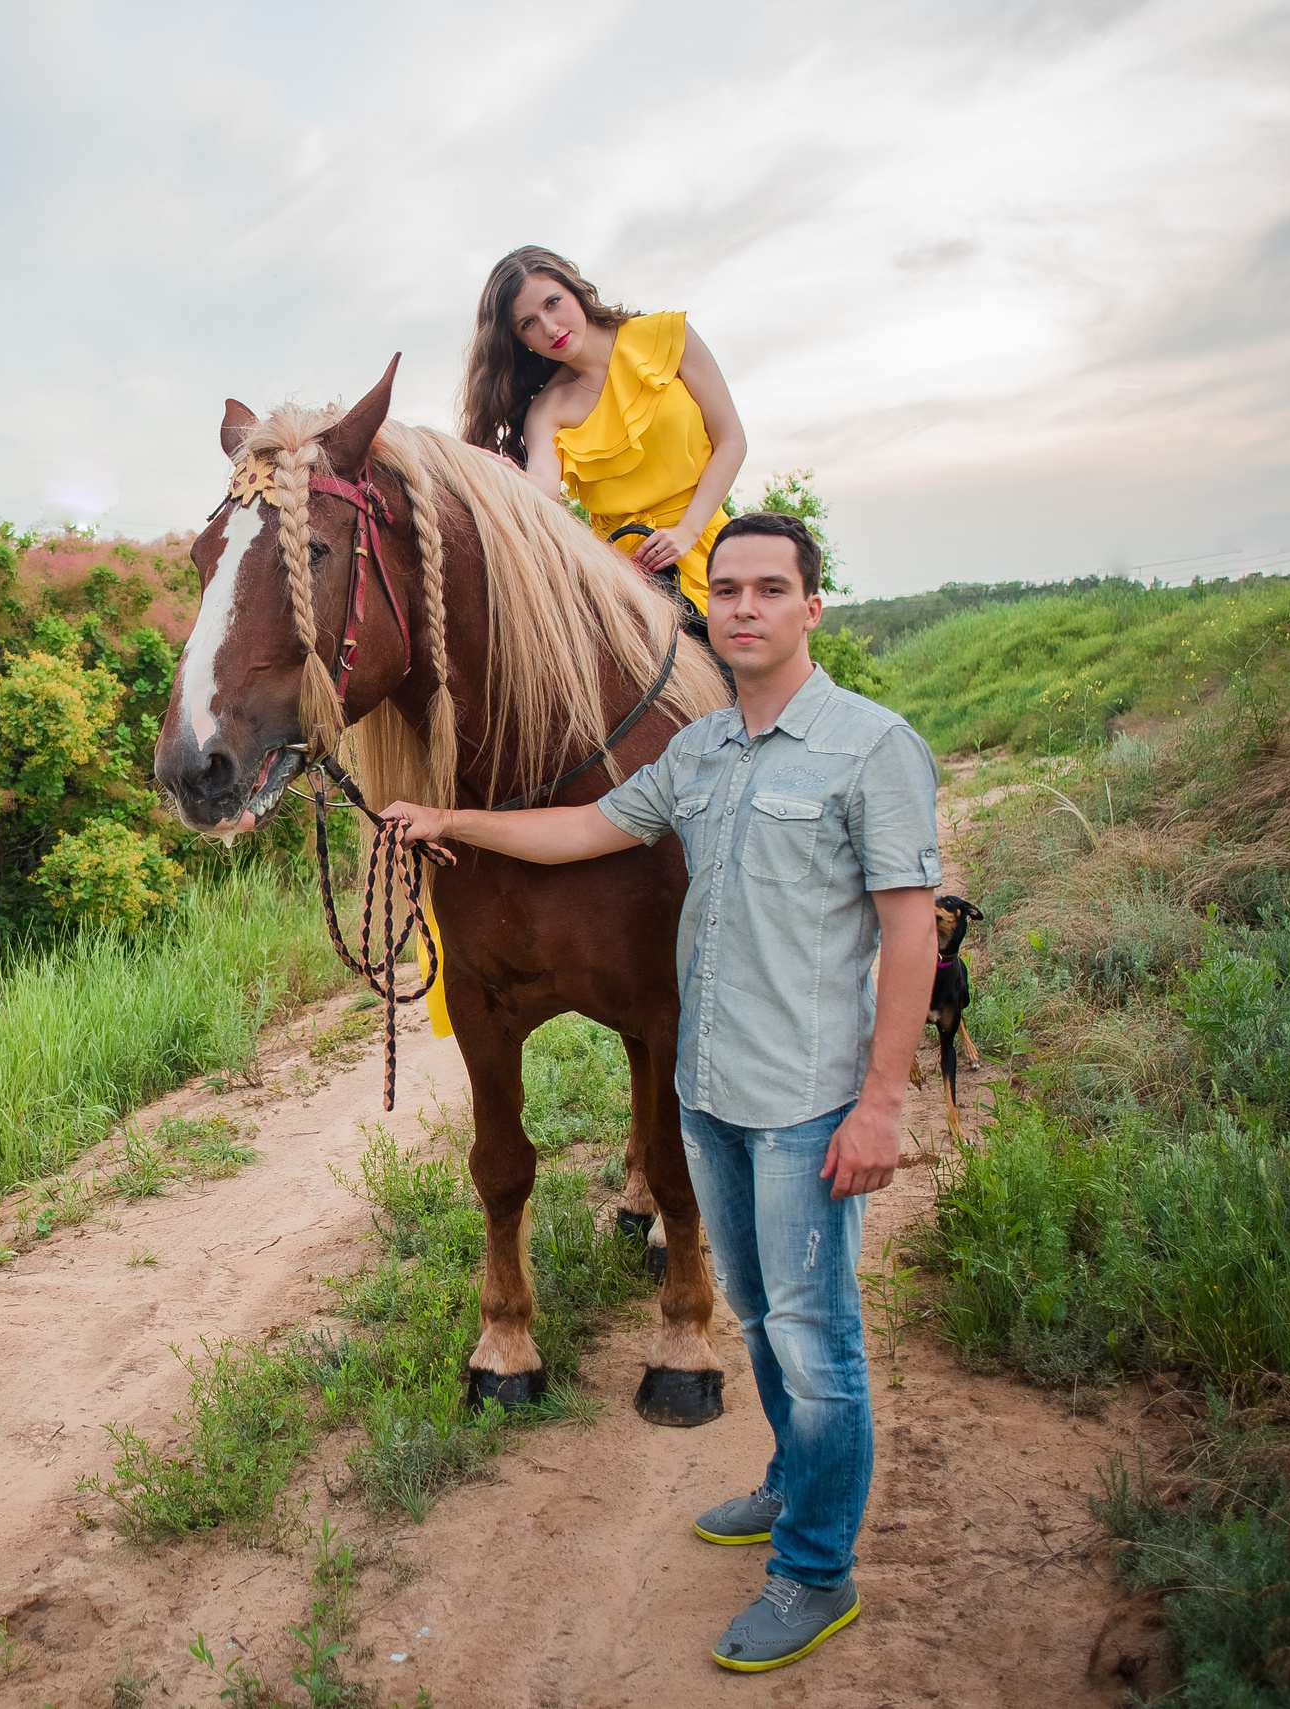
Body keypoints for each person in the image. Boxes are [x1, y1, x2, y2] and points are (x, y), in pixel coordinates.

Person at [377, 511, 942, 1674]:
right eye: (725, 588)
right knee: (760, 1312)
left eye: (768, 589)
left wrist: (882, 1100)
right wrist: (448, 818)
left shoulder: (871, 746)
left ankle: (815, 1569)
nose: (742, 607)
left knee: (817, 1334)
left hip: (807, 1096)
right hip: (710, 1090)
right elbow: (587, 824)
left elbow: (908, 929)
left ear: (809, 608)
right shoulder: (697, 749)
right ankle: (788, 1485)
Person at [457, 245, 748, 616]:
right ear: (519, 340)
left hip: (713, 545)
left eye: (552, 303)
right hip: (625, 581)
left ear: (575, 289)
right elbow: (545, 488)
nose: (550, 328)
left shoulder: (667, 336)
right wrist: (507, 476)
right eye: (527, 323)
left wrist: (688, 532)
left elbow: (732, 441)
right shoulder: (547, 410)